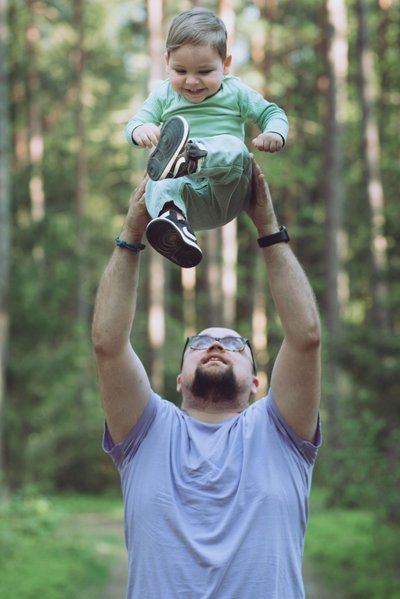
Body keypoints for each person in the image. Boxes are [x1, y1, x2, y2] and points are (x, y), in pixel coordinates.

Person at [92, 158, 322, 599]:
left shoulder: (280, 430)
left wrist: (268, 226)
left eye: (235, 345)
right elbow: (108, 343)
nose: (216, 345)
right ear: (178, 378)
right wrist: (132, 231)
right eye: (199, 342)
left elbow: (306, 338)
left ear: (257, 383)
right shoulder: (147, 430)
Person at [125, 7, 289, 268]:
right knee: (158, 180)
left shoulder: (235, 92)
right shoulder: (163, 93)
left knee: (235, 148)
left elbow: (272, 112)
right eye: (180, 71)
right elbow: (135, 123)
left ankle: (191, 156)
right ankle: (173, 223)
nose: (191, 81)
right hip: (185, 200)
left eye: (203, 72)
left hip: (225, 190)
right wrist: (139, 130)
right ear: (167, 62)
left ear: (225, 65)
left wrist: (274, 132)